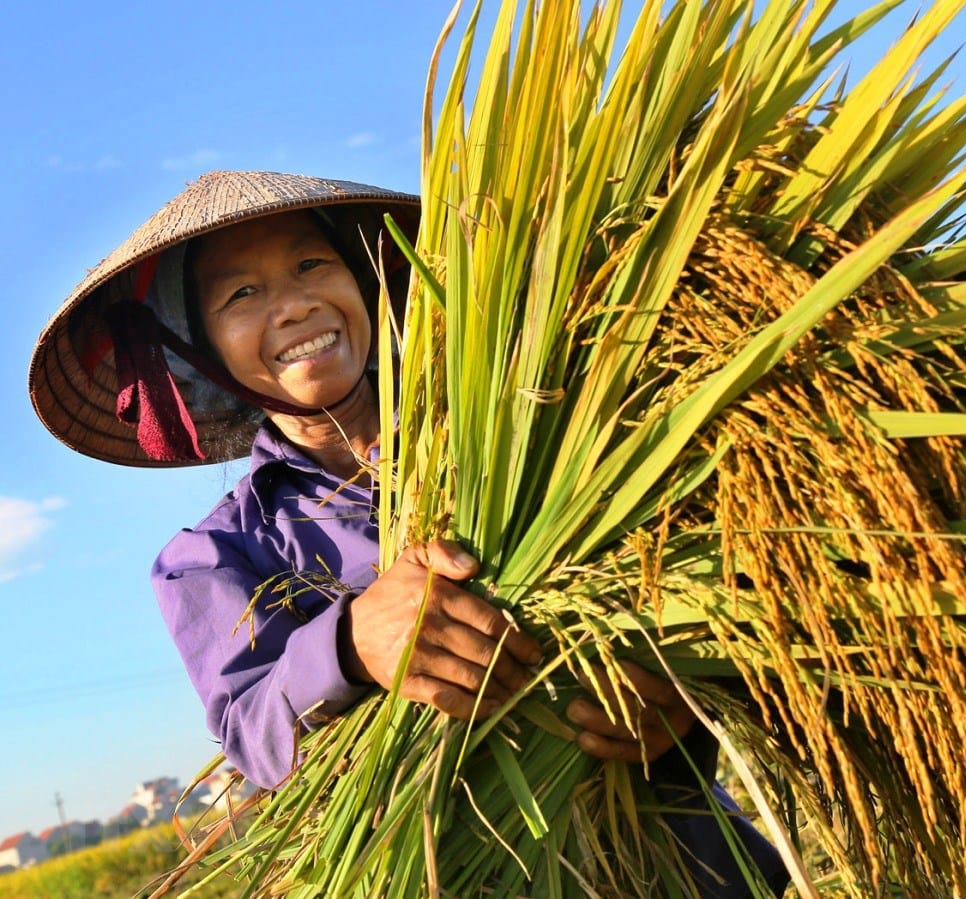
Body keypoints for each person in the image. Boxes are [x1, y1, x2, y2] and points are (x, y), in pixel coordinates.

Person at [29, 170, 788, 897]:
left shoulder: (528, 423)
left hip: (693, 864)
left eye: (311, 263)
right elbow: (253, 735)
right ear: (199, 351)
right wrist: (352, 642)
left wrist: (679, 707)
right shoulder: (216, 556)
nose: (292, 305)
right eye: (243, 293)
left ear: (364, 283)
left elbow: (702, 580)